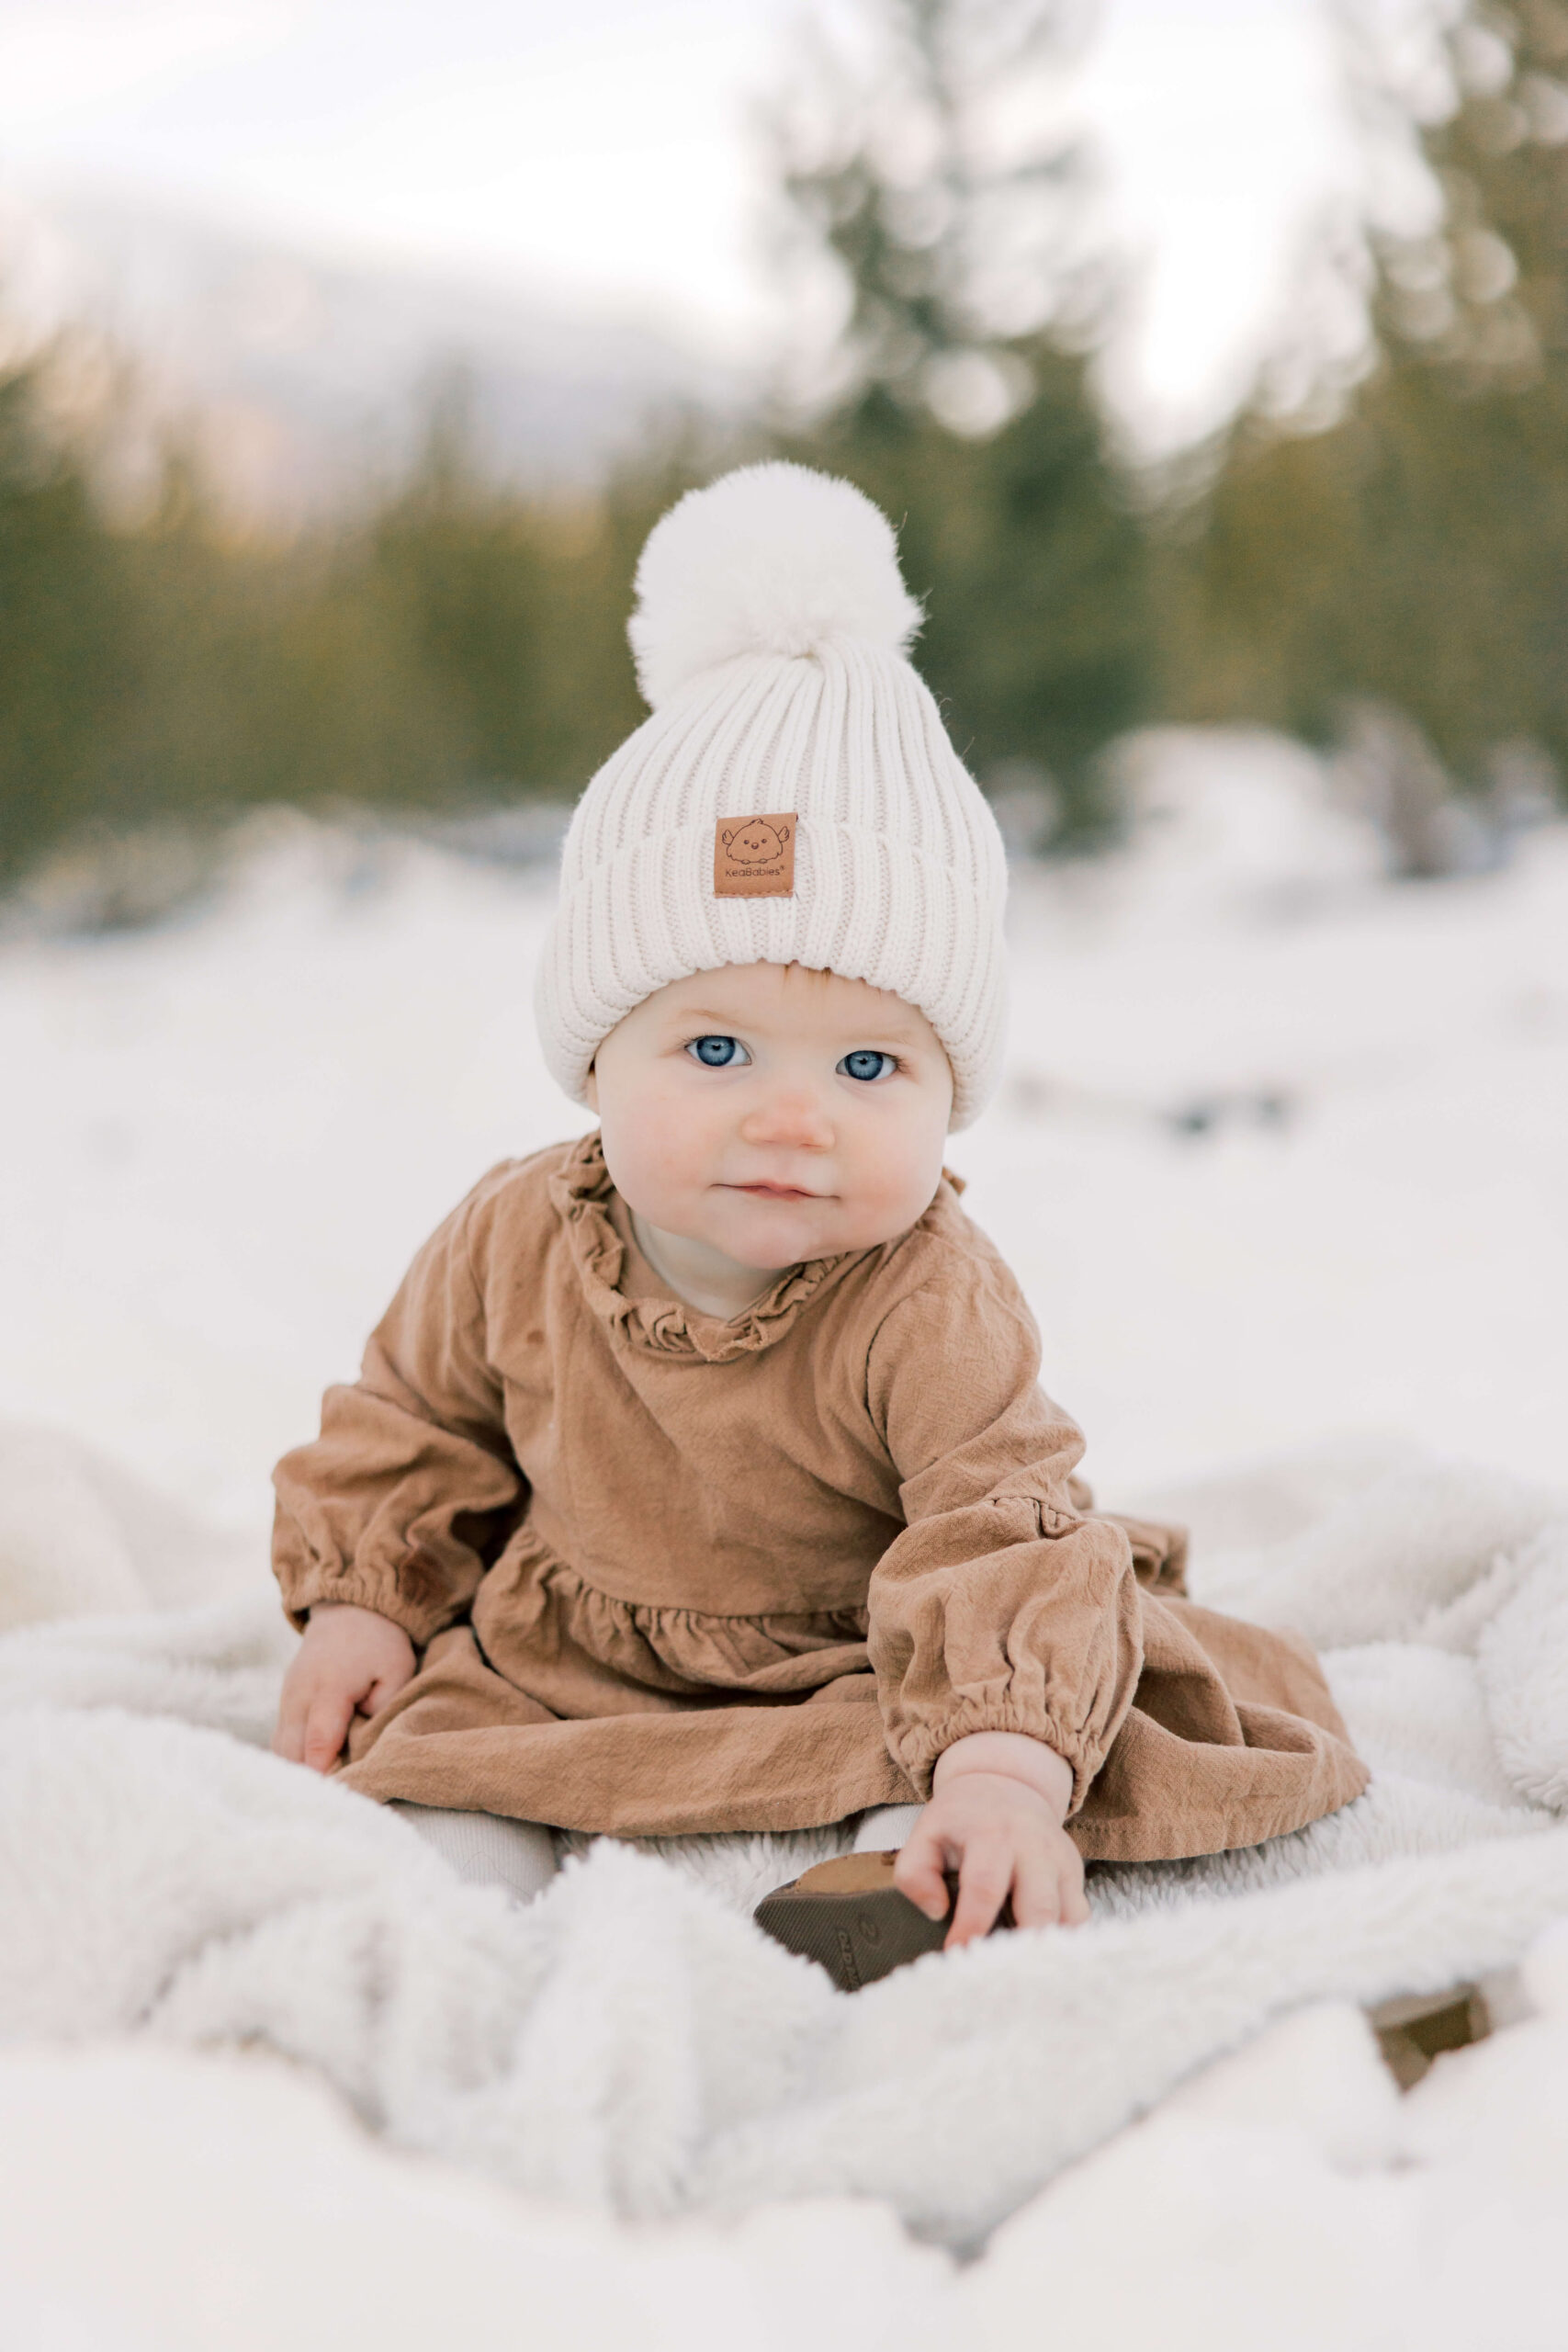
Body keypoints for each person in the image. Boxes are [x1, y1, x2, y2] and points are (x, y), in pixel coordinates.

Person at [270, 462, 1367, 1962]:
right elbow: (414, 1427)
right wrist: (366, 1609)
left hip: (862, 1651)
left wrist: (997, 1761)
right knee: (449, 1759)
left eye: (869, 1062)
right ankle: (454, 1907)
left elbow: (995, 1528)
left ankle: (908, 1882)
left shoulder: (924, 1295)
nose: (796, 1117)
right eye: (715, 1050)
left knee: (967, 1763)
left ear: (947, 1083)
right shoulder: (514, 1237)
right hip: (569, 1655)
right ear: (598, 1055)